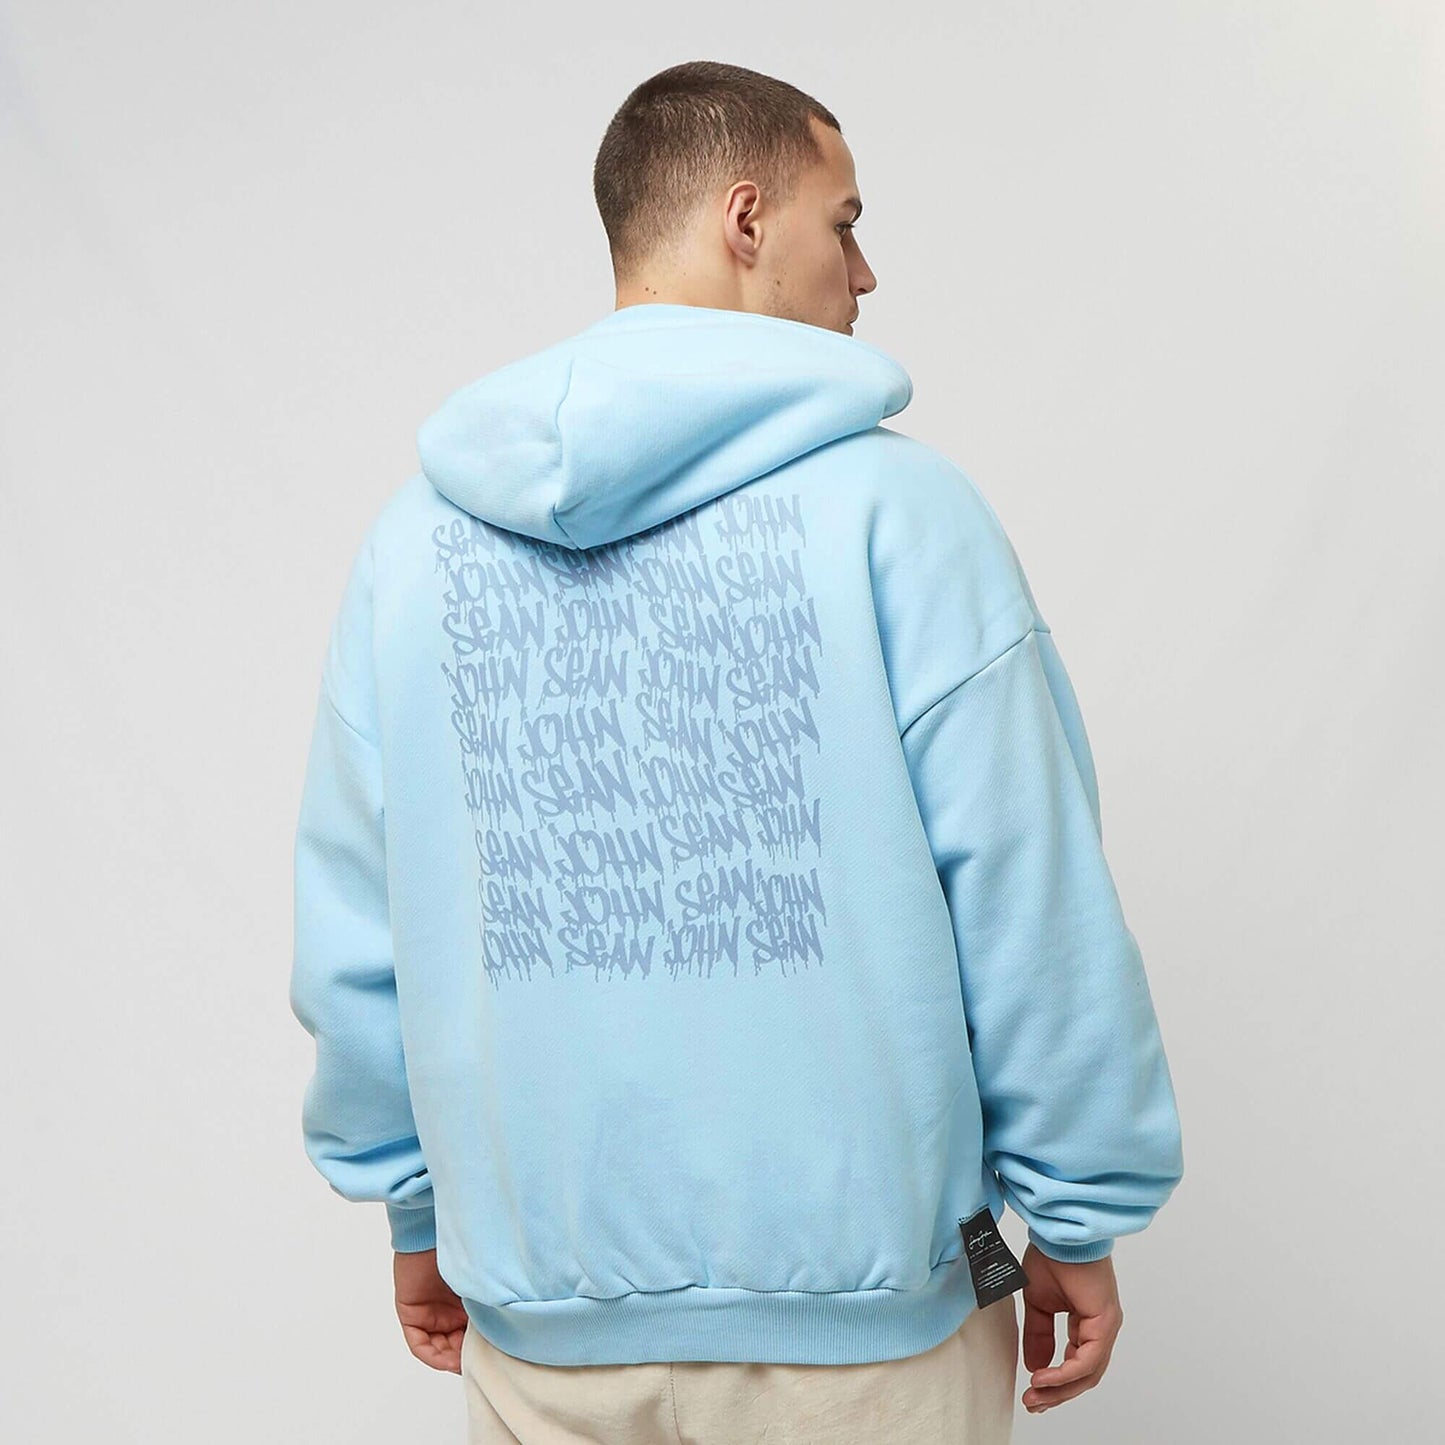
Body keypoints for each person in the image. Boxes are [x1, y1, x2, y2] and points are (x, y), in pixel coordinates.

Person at [289, 58, 1184, 1444]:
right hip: (877, 1337)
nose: (866, 272)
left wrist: (414, 1208)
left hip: (541, 1331)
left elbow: (358, 930)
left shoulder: (413, 549)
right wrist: (1073, 1217)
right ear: (747, 217)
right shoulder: (902, 514)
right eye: (845, 222)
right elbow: (1028, 897)